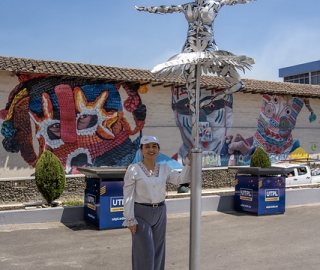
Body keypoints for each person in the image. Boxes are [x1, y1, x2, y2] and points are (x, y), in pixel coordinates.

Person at [122, 135, 191, 270]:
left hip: (160, 212)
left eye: (154, 146)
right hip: (141, 213)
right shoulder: (133, 169)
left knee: (159, 251)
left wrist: (189, 163)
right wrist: (129, 219)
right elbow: (128, 195)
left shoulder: (164, 168)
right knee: (146, 252)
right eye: (147, 147)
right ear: (141, 150)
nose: (151, 149)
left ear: (158, 149)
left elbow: (180, 180)